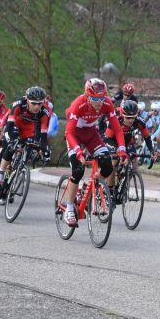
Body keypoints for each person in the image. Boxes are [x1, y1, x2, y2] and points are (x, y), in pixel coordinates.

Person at [62, 78, 126, 227]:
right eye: (94, 99)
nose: (98, 102)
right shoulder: (78, 104)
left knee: (108, 166)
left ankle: (90, 184)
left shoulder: (107, 103)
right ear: (87, 95)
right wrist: (78, 152)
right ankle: (70, 208)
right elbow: (69, 133)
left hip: (91, 134)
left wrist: (122, 149)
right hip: (75, 136)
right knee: (78, 170)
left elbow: (117, 128)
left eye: (101, 98)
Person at [0, 87, 51, 194]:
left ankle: (11, 182)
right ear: (27, 100)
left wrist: (44, 150)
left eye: (40, 103)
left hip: (29, 130)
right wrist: (10, 139)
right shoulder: (19, 104)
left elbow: (43, 134)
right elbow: (9, 126)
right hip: (15, 126)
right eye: (34, 103)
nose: (37, 106)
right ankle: (0, 176)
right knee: (10, 146)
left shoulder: (44, 112)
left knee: (29, 152)